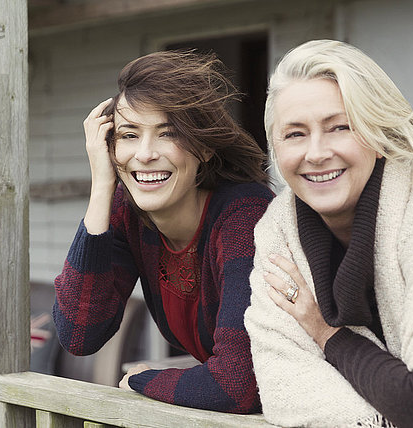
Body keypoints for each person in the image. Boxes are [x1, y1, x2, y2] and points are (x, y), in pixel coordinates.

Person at [244, 39, 413, 427]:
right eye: (294, 134)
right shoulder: (276, 234)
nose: (316, 152)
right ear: (275, 148)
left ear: (379, 137)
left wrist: (328, 335)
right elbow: (288, 391)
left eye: (339, 127)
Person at [53, 50, 273, 413]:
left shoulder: (244, 216)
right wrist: (102, 189)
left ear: (202, 146)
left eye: (167, 133)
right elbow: (80, 334)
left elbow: (236, 386)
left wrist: (142, 378)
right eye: (128, 135)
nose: (145, 154)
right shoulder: (128, 214)